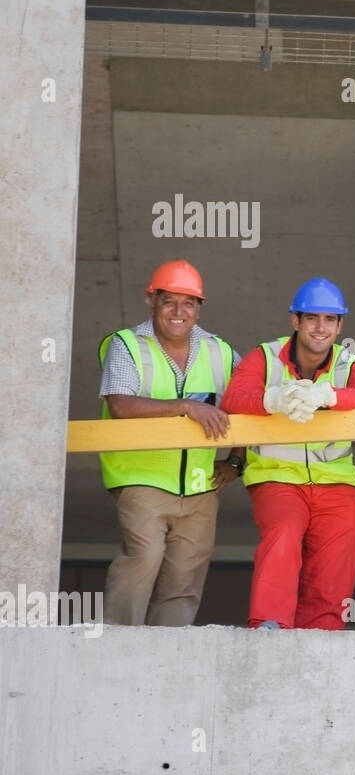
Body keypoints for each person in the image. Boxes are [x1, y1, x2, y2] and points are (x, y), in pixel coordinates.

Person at [219, 278, 355, 631]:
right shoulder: (265, 355)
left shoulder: (352, 365)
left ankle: (321, 638)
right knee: (284, 534)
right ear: (295, 321)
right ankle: (270, 625)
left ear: (340, 326)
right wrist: (272, 400)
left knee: (337, 556)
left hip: (337, 482)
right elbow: (233, 399)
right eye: (312, 318)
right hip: (277, 475)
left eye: (330, 320)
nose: (321, 328)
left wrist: (328, 396)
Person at [98, 260, 243, 626]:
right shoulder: (127, 344)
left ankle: (165, 660)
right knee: (144, 558)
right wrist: (184, 406)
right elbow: (120, 404)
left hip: (200, 486)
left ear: (199, 308)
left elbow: (247, 403)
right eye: (169, 301)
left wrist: (236, 461)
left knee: (184, 579)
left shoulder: (219, 351)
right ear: (152, 301)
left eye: (189, 303)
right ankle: (117, 645)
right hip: (141, 479)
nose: (179, 311)